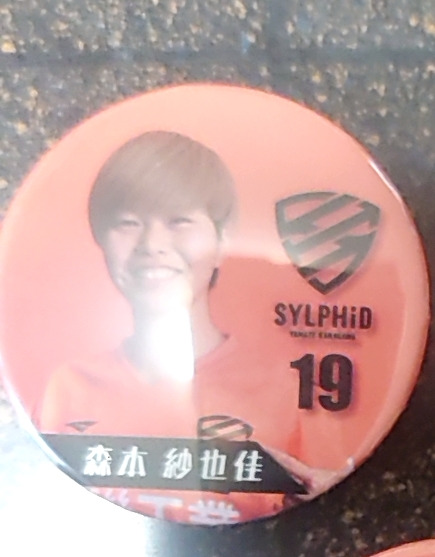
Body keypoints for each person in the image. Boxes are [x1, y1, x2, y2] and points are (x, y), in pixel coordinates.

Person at [38, 130, 342, 501]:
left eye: (179, 221)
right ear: (101, 239)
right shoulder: (68, 389)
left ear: (223, 240)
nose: (152, 245)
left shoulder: (285, 391)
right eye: (128, 223)